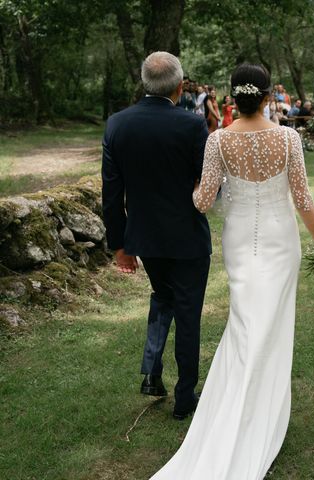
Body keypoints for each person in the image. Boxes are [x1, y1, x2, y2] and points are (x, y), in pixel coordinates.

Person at [150, 62, 314, 480]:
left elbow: (201, 202)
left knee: (246, 321)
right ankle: (259, 409)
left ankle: (247, 401)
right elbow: (303, 200)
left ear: (233, 97)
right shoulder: (288, 138)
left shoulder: (217, 141)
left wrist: (192, 185)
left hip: (238, 240)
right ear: (268, 96)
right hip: (279, 238)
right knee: (270, 322)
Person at [102, 52, 211, 420]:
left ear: (144, 83)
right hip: (188, 239)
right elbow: (204, 185)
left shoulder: (117, 124)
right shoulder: (193, 126)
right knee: (188, 313)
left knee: (163, 296)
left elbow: (111, 193)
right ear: (180, 88)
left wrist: (120, 245)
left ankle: (151, 369)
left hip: (146, 238)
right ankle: (184, 398)